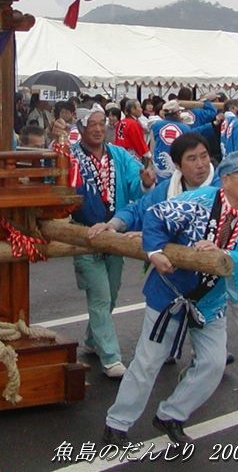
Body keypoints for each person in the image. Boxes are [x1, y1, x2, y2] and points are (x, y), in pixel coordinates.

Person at [102, 151, 238, 445]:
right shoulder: (198, 201)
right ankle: (117, 423)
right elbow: (155, 215)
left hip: (210, 299)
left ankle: (171, 414)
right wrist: (155, 252)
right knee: (148, 361)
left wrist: (225, 255)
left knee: (213, 364)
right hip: (170, 294)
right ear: (226, 179)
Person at [69, 106, 154, 378]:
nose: (97, 129)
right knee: (100, 295)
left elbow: (136, 184)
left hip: (113, 233)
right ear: (81, 128)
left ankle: (93, 339)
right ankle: (111, 358)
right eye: (91, 124)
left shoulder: (119, 154)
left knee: (112, 293)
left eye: (101, 124)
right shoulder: (70, 156)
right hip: (84, 235)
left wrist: (145, 182)